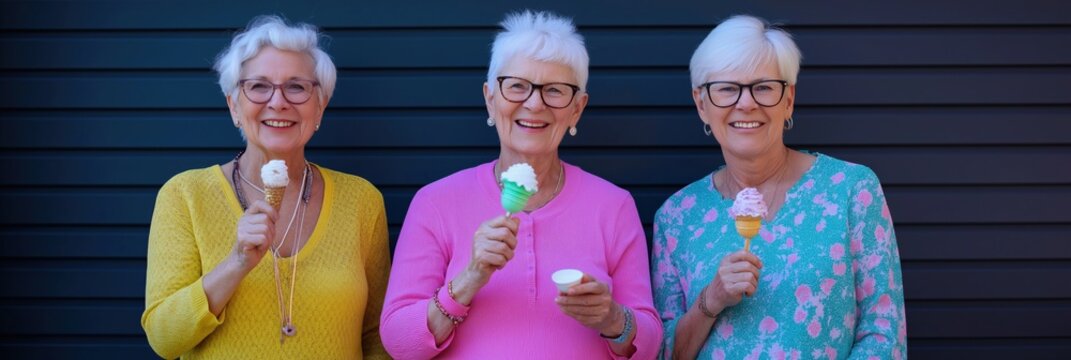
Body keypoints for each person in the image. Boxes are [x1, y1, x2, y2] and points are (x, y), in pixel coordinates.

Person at [380, 10, 662, 359]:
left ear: (577, 109)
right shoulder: (436, 202)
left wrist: (613, 318)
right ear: (490, 98)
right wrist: (469, 278)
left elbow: (649, 344)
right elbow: (399, 342)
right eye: (517, 86)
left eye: (555, 91)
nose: (534, 103)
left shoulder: (613, 205)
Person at [651, 15, 907, 359]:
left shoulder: (851, 190)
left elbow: (884, 334)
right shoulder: (677, 217)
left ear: (788, 99)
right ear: (701, 104)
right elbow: (663, 353)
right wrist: (709, 302)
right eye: (727, 88)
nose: (746, 103)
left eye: (764, 86)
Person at [141, 15, 390, 359]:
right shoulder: (185, 195)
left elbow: (378, 336)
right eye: (258, 86)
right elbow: (164, 338)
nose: (278, 102)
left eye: (297, 87)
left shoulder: (361, 200)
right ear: (234, 106)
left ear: (321, 106)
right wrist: (236, 263)